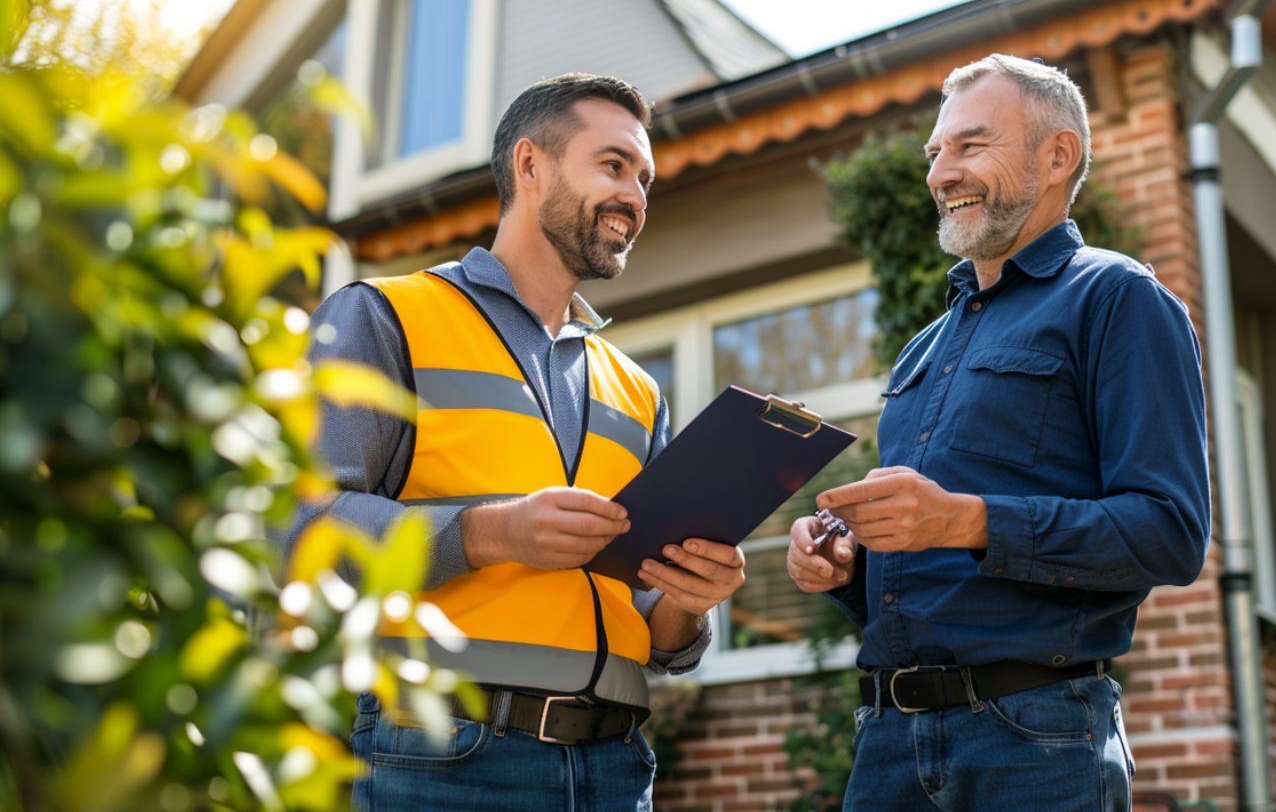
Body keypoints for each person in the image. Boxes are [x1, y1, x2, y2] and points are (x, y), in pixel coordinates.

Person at [278, 73, 746, 811]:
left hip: (618, 772)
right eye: (614, 165)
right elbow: (297, 532)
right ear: (531, 166)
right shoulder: (384, 317)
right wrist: (492, 532)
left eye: (645, 178)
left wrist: (694, 598)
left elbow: (659, 629)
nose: (636, 196)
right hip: (440, 763)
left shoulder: (637, 389)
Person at [786, 54, 1211, 811]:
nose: (939, 173)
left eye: (969, 146)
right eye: (935, 152)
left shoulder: (1116, 298)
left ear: (1057, 157)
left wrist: (967, 520)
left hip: (1035, 741)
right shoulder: (925, 348)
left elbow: (1170, 533)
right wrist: (848, 568)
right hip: (887, 740)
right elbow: (928, 567)